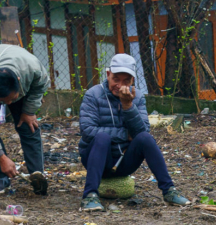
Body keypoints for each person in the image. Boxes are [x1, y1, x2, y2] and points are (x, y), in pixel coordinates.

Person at [79, 53, 190, 211]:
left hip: (125, 160)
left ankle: (169, 191)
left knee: (145, 138)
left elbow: (142, 132)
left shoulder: (136, 97)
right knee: (101, 137)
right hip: (96, 160)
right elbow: (88, 131)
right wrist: (124, 135)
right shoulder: (93, 95)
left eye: (126, 81)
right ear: (108, 75)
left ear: (133, 81)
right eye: (116, 79)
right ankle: (89, 196)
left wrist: (128, 105)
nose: (120, 85)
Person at [0, 44, 48, 196]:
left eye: (13, 99)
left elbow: (41, 85)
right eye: (4, 100)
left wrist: (29, 111)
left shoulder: (32, 69)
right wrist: (1, 157)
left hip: (20, 69)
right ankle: (0, 177)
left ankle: (37, 175)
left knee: (28, 125)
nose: (9, 104)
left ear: (18, 80)